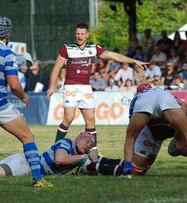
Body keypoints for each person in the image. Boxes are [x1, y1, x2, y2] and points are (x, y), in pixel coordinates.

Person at [47, 23, 147, 161]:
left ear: (87, 35)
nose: (80, 36)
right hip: (71, 87)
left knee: (90, 121)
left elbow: (112, 55)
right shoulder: (67, 48)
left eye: (82, 34)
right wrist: (51, 86)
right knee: (68, 118)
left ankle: (94, 156)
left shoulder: (92, 48)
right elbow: (57, 67)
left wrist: (134, 61)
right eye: (77, 34)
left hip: (86, 88)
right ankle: (56, 149)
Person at [82, 102, 187, 176]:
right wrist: (184, 149)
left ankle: (99, 160)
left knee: (141, 170)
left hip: (158, 137)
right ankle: (88, 166)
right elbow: (179, 148)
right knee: (134, 170)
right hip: (149, 131)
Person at [0, 16, 52, 188]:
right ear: (8, 33)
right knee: (27, 137)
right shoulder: (7, 53)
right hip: (1, 105)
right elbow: (14, 84)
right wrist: (23, 96)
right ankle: (38, 179)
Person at [122, 84, 187, 178]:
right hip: (165, 99)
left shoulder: (137, 97)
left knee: (130, 137)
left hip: (144, 102)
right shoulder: (159, 91)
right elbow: (184, 104)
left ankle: (126, 172)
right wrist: (179, 128)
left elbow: (134, 130)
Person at [0, 132, 95, 177]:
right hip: (26, 165)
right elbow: (59, 160)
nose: (88, 145)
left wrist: (92, 154)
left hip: (25, 161)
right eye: (86, 141)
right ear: (78, 138)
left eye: (90, 145)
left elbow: (95, 160)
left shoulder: (79, 157)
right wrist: (82, 156)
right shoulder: (67, 142)